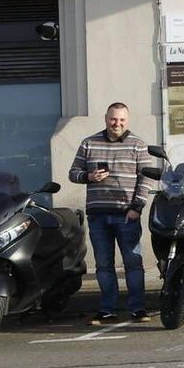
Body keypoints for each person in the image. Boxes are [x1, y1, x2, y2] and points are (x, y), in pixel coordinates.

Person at [69, 102, 160, 324]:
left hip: (126, 215)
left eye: (121, 120)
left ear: (127, 121)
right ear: (106, 118)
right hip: (98, 215)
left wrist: (137, 208)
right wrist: (89, 177)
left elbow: (146, 179)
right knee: (103, 265)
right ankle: (108, 309)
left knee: (133, 263)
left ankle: (137, 308)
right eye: (113, 119)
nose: (116, 123)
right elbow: (73, 173)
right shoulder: (89, 143)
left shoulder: (138, 145)